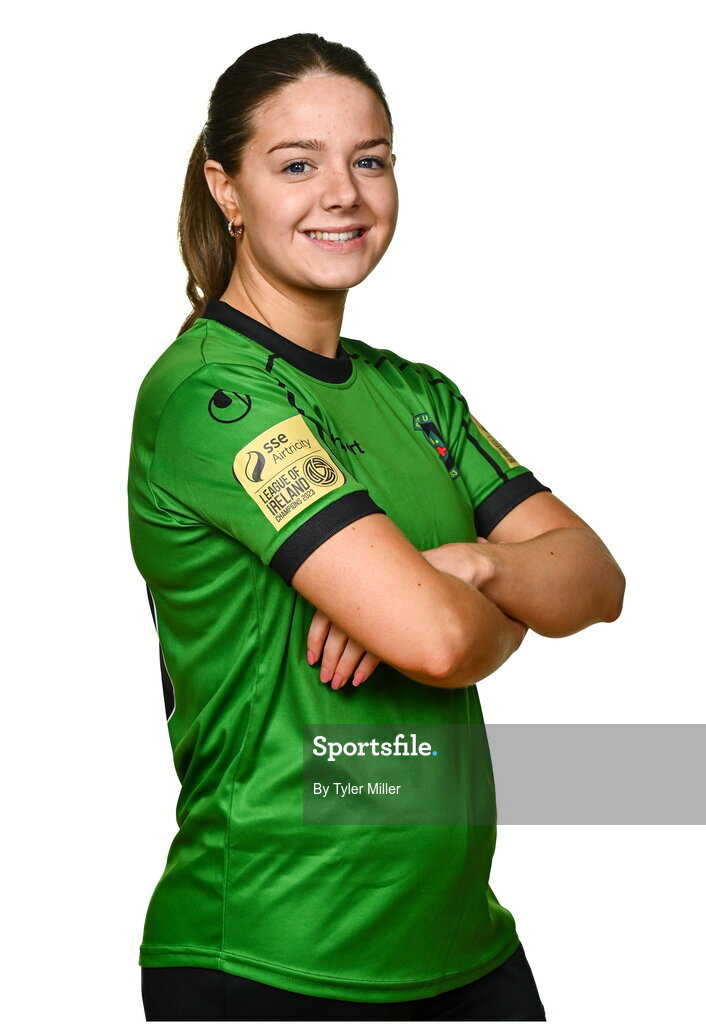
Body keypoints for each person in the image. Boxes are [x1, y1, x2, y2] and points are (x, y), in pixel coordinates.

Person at [128, 32, 625, 1023]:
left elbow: (594, 579)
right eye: (297, 164)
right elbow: (437, 642)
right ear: (227, 189)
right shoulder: (214, 397)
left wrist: (469, 562)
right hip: (275, 959)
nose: (343, 192)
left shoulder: (417, 396)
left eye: (370, 159)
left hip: (464, 946)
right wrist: (473, 600)